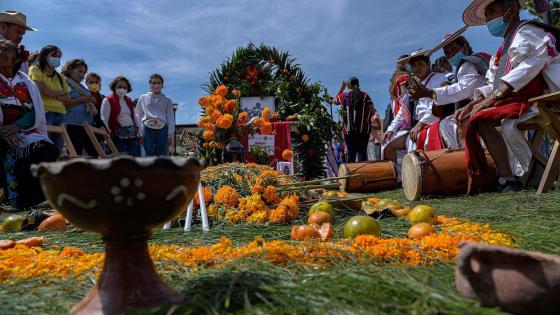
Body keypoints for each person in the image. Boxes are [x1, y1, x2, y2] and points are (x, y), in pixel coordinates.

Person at [457, 0, 560, 190]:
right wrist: (473, 103)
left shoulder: (527, 31)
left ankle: (532, 174)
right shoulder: (503, 47)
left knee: (486, 119)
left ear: (511, 11)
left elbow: (525, 71)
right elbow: (492, 82)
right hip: (528, 99)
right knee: (480, 117)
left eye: (491, 12)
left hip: (549, 97)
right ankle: (509, 178)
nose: (488, 19)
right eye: (486, 15)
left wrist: (492, 99)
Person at [0, 39, 58, 210]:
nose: (0, 51)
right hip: (1, 132)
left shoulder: (26, 82)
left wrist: (17, 127)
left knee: (47, 149)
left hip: (23, 130)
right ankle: (8, 200)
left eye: (5, 49)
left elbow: (36, 111)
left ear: (17, 59)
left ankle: (34, 201)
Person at [410, 35, 490, 149]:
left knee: (447, 124)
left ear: (465, 46)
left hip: (484, 103)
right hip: (475, 104)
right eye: (447, 53)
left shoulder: (467, 63)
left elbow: (464, 90)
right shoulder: (464, 66)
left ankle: (471, 160)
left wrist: (430, 93)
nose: (451, 54)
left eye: (454, 49)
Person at [29, 45, 70, 152]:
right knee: (45, 148)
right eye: (54, 55)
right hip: (44, 112)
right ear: (44, 55)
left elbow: (68, 98)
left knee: (58, 149)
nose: (57, 58)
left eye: (59, 56)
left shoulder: (60, 77)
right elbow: (38, 89)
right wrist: (59, 93)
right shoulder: (35, 69)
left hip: (61, 115)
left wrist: (48, 91)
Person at [333, 76, 377, 162]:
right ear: (358, 85)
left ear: (348, 86)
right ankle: (362, 174)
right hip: (363, 131)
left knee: (351, 154)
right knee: (362, 154)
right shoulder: (365, 96)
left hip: (349, 132)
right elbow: (373, 111)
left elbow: (334, 101)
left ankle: (351, 174)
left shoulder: (343, 96)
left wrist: (341, 89)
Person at [61, 59, 98, 156]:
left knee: (95, 155)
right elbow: (63, 104)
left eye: (84, 72)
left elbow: (87, 99)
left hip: (87, 126)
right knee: (75, 156)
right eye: (79, 71)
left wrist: (91, 100)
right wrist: (83, 99)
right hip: (72, 125)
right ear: (70, 69)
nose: (82, 74)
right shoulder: (63, 82)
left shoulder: (82, 87)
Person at [382, 55, 412, 164]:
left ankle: (398, 178)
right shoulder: (403, 77)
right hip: (405, 121)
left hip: (399, 120)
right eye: (408, 62)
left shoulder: (396, 78)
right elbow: (405, 101)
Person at [135, 74, 175, 156]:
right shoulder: (143, 98)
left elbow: (171, 118)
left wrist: (170, 134)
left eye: (159, 83)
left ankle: (162, 169)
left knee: (162, 154)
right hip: (147, 129)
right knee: (148, 153)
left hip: (162, 129)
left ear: (162, 85)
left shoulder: (167, 99)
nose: (156, 85)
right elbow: (137, 115)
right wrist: (139, 133)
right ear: (150, 85)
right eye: (153, 83)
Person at [101, 76, 141, 155]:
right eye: (119, 87)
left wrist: (140, 133)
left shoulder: (129, 100)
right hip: (117, 137)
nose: (122, 89)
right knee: (120, 162)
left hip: (132, 135)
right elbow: (104, 119)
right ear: (114, 87)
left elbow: (135, 117)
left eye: (124, 87)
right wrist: (106, 135)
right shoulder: (108, 100)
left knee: (134, 160)